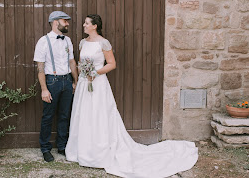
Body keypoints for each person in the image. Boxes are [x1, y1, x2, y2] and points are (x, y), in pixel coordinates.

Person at [65, 14, 198, 177]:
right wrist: (81, 77)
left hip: (98, 84)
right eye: (84, 23)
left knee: (98, 115)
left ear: (94, 26)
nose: (83, 25)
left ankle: (99, 152)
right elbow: (80, 63)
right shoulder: (83, 42)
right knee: (84, 115)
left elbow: (112, 64)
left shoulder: (103, 42)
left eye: (86, 23)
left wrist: (95, 72)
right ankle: (83, 150)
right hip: (85, 84)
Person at [34, 11, 78, 162]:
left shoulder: (68, 40)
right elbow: (40, 67)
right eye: (65, 21)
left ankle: (62, 146)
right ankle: (45, 148)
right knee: (48, 116)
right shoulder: (43, 41)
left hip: (66, 81)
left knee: (65, 115)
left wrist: (75, 81)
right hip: (51, 82)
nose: (67, 24)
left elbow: (72, 62)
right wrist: (44, 89)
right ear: (55, 22)